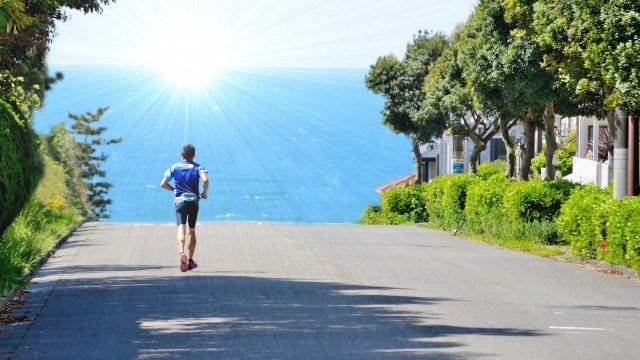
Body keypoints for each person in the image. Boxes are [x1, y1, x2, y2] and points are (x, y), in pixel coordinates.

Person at [160, 144, 209, 272]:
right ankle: (190, 261)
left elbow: (163, 184)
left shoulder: (174, 167)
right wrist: (204, 193)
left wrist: (174, 190)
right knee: (191, 230)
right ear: (194, 155)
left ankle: (182, 253)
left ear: (182, 155)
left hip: (180, 201)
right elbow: (205, 180)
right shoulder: (198, 167)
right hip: (193, 201)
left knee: (181, 229)